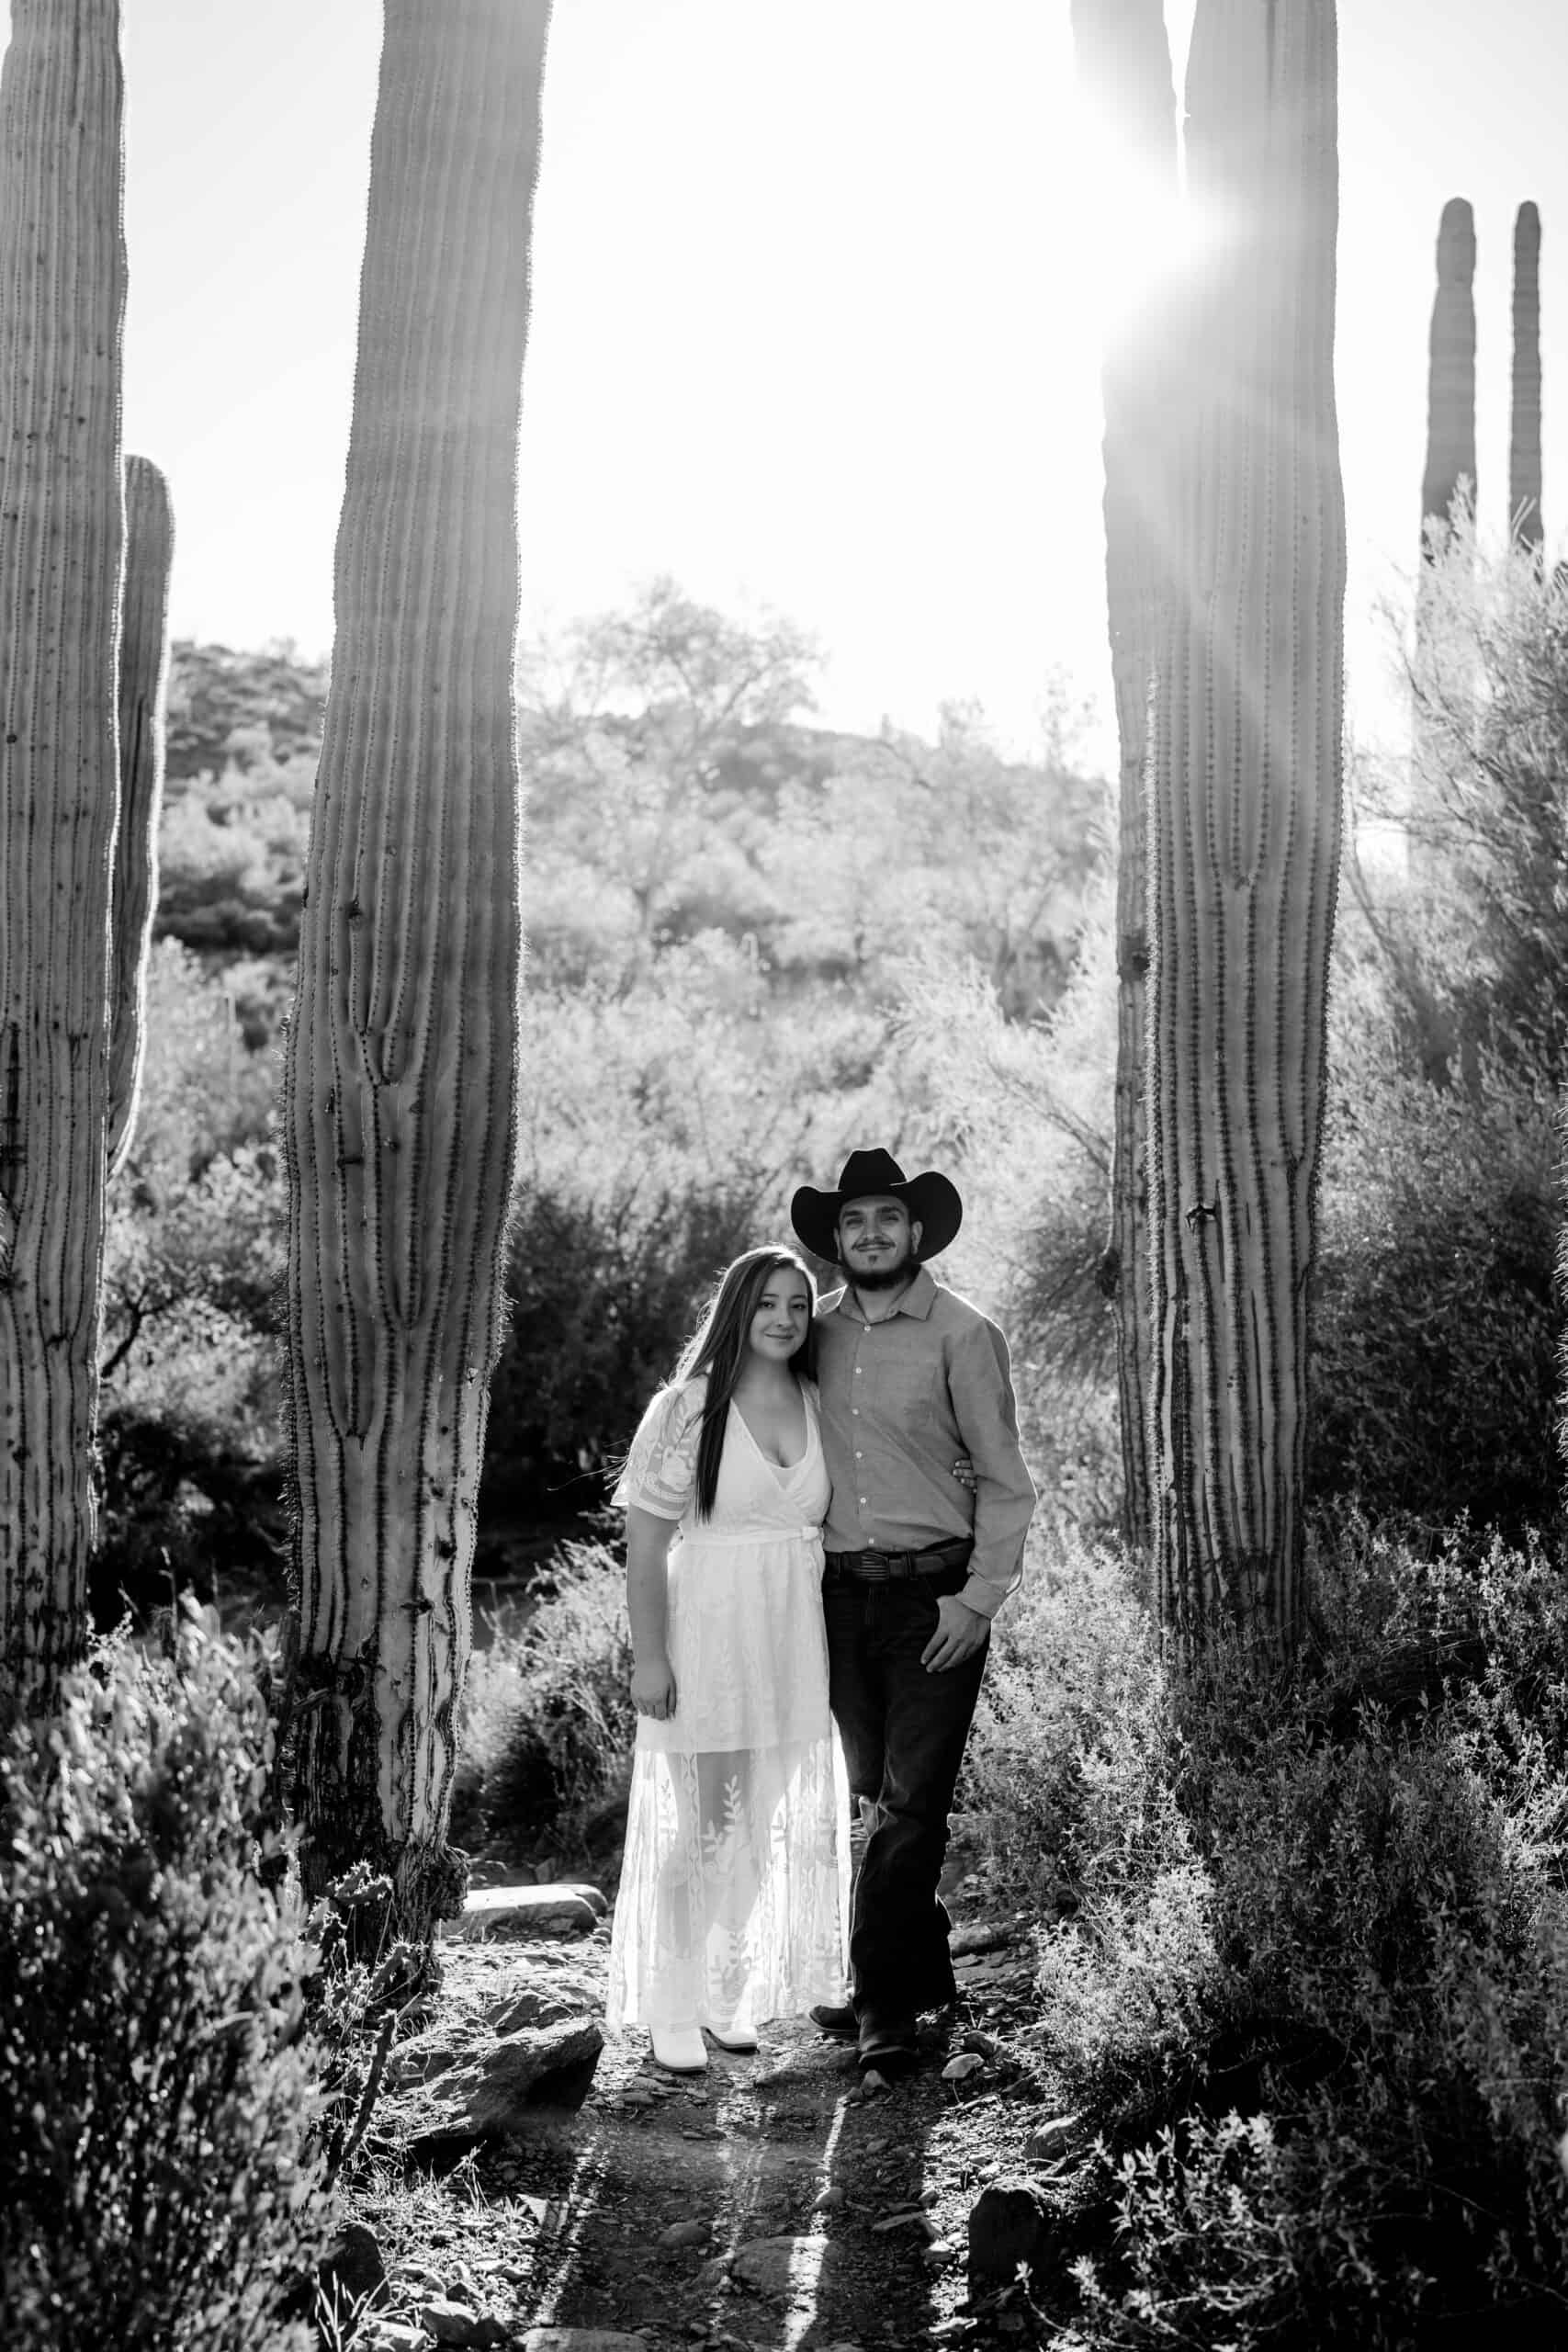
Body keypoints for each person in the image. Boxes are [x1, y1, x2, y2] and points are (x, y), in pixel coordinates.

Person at [790, 1146, 1036, 2078]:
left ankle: (881, 2002)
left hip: (935, 1598)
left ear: (917, 1231)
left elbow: (1008, 1485)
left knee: (912, 1801)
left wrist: (978, 1601)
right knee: (866, 1795)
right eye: (854, 1222)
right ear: (837, 1240)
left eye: (886, 1218)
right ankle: (924, 1966)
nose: (871, 1234)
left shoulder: (965, 1335)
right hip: (839, 1600)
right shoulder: (811, 1332)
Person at [604, 1246, 851, 2074]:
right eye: (766, 1303)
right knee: (711, 1825)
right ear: (736, 1311)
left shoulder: (818, 1400)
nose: (783, 1319)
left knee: (758, 1825)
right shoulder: (688, 1407)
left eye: (797, 1304)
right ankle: (668, 2005)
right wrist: (650, 1660)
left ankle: (718, 1988)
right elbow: (644, 1546)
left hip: (792, 1640)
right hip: (709, 1632)